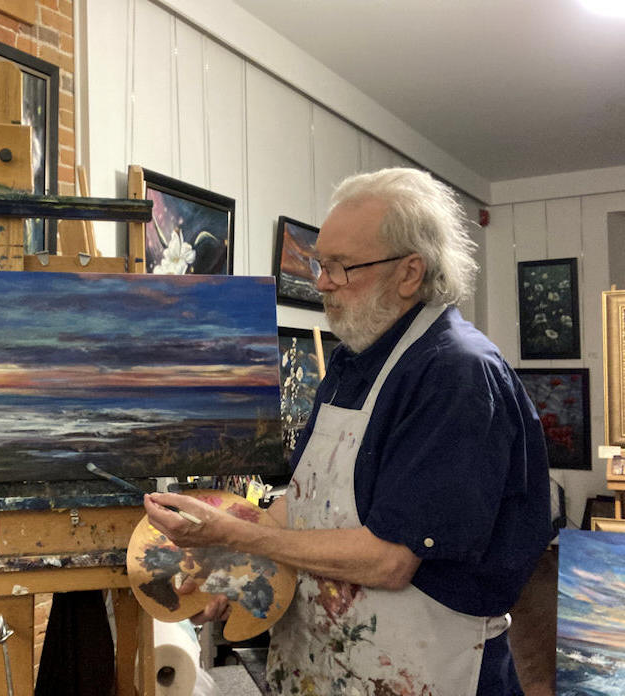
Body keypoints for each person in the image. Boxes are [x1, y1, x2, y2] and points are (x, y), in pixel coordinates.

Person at [143, 168, 553, 695]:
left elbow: (390, 560)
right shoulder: (354, 357)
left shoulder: (455, 374)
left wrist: (232, 534)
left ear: (410, 273)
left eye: (339, 266)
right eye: (320, 264)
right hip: (326, 660)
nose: (320, 282)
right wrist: (238, 566)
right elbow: (308, 500)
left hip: (420, 667)